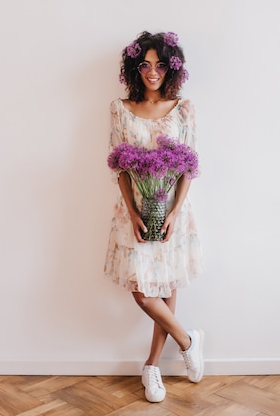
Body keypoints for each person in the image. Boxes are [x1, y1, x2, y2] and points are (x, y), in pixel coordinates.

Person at [104, 31, 204, 403]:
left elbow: (188, 168)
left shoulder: (184, 108)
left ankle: (152, 368)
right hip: (134, 211)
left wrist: (175, 212)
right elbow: (119, 167)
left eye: (160, 64)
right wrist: (132, 211)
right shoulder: (119, 108)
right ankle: (188, 340)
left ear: (171, 68)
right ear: (135, 67)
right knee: (143, 293)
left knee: (165, 287)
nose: (152, 71)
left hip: (172, 211)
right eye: (144, 64)